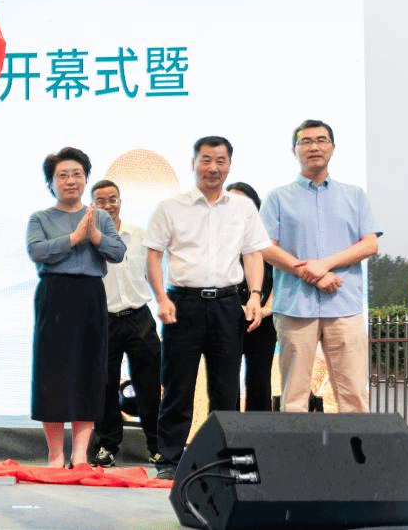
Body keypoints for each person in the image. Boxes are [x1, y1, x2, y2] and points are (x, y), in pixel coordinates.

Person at [145, 136, 268, 480]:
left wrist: (254, 296)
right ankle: (169, 460)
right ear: (193, 163)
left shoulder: (243, 208)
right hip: (183, 303)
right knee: (178, 385)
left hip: (228, 304)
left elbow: (253, 254)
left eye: (220, 161)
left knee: (226, 388)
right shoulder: (170, 206)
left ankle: (224, 460)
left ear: (229, 165)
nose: (213, 168)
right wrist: (161, 298)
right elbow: (153, 255)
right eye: (206, 160)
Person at [260, 119, 380, 413]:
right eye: (306, 141)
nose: (314, 146)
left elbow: (369, 244)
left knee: (353, 396)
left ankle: (356, 445)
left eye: (321, 140)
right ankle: (295, 445)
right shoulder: (277, 197)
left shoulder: (354, 195)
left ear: (333, 147)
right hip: (295, 306)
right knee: (293, 397)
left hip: (344, 305)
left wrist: (324, 265)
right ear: (294, 150)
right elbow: (265, 247)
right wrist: (310, 273)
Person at [26, 148, 126, 469]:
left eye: (77, 175)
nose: (70, 181)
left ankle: (80, 454)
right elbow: (37, 252)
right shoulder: (40, 218)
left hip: (90, 295)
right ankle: (55, 454)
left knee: (88, 370)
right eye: (62, 176)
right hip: (54, 294)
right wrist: (73, 238)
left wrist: (93, 235)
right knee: (51, 373)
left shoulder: (100, 217)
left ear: (86, 179)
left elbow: (118, 252)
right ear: (51, 183)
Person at [90, 179, 162, 467]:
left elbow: (154, 273)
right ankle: (107, 445)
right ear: (92, 205)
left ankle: (158, 446)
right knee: (104, 385)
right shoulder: (88, 239)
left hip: (139, 316)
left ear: (121, 202)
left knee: (149, 383)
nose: (108, 205)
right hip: (103, 319)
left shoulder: (140, 236)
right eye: (101, 201)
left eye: (113, 199)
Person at [226, 182, 277, 412]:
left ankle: (260, 432)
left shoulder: (269, 240)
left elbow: (281, 278)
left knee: (259, 382)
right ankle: (225, 431)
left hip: (264, 319)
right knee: (226, 382)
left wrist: (265, 310)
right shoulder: (219, 241)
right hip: (228, 318)